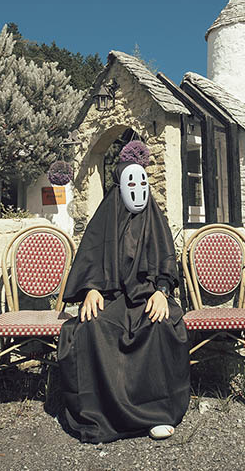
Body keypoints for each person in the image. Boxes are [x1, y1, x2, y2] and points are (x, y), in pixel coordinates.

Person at [57, 142, 190, 443]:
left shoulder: (155, 218)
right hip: (112, 299)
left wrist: (162, 291)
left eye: (142, 181)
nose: (138, 187)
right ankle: (105, 415)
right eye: (131, 182)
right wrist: (90, 289)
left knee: (161, 325)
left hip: (147, 297)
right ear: (120, 184)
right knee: (91, 328)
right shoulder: (106, 215)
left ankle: (156, 414)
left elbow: (166, 261)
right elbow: (91, 255)